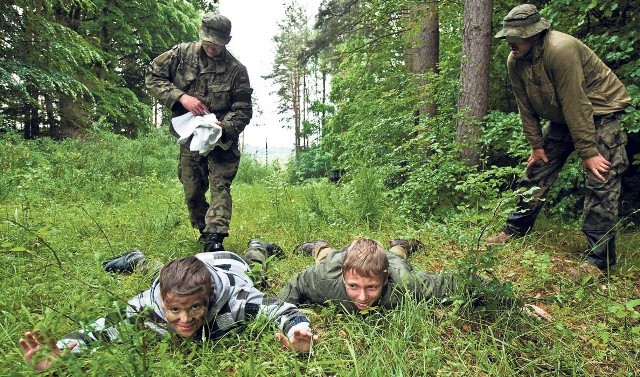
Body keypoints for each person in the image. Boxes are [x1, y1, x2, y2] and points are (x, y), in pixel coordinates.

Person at [488, 4, 631, 275]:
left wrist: (588, 151)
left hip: (599, 112)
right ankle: (515, 229)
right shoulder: (515, 60)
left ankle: (598, 261)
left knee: (601, 178)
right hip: (564, 117)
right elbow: (525, 106)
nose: (509, 43)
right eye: (507, 36)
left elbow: (576, 102)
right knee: (537, 169)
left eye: (515, 37)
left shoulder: (560, 50)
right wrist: (536, 146)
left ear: (532, 35)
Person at [19, 251, 316, 372]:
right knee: (156, 270)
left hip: (231, 263)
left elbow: (283, 310)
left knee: (257, 270)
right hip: (185, 267)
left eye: (195, 307)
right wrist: (61, 350)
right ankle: (137, 259)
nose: (185, 320)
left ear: (209, 298)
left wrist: (297, 331)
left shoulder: (237, 300)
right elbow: (101, 328)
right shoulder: (146, 305)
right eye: (173, 309)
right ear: (160, 300)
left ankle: (257, 247)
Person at [145, 13, 253, 253]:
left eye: (216, 44)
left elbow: (243, 110)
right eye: (207, 42)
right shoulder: (181, 55)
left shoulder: (237, 71)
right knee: (192, 189)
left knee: (220, 185)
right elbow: (153, 76)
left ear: (227, 40)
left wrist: (222, 128)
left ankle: (215, 238)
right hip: (190, 138)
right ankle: (204, 230)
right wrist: (181, 97)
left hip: (222, 141)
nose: (211, 48)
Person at [276, 238, 549, 319]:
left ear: (384, 280)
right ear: (345, 279)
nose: (361, 297)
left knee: (397, 256)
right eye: (354, 287)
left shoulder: (404, 284)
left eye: (371, 287)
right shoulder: (326, 279)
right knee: (325, 256)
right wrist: (282, 319)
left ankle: (401, 244)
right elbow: (296, 284)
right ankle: (318, 245)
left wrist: (514, 304)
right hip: (337, 259)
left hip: (391, 261)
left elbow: (461, 282)